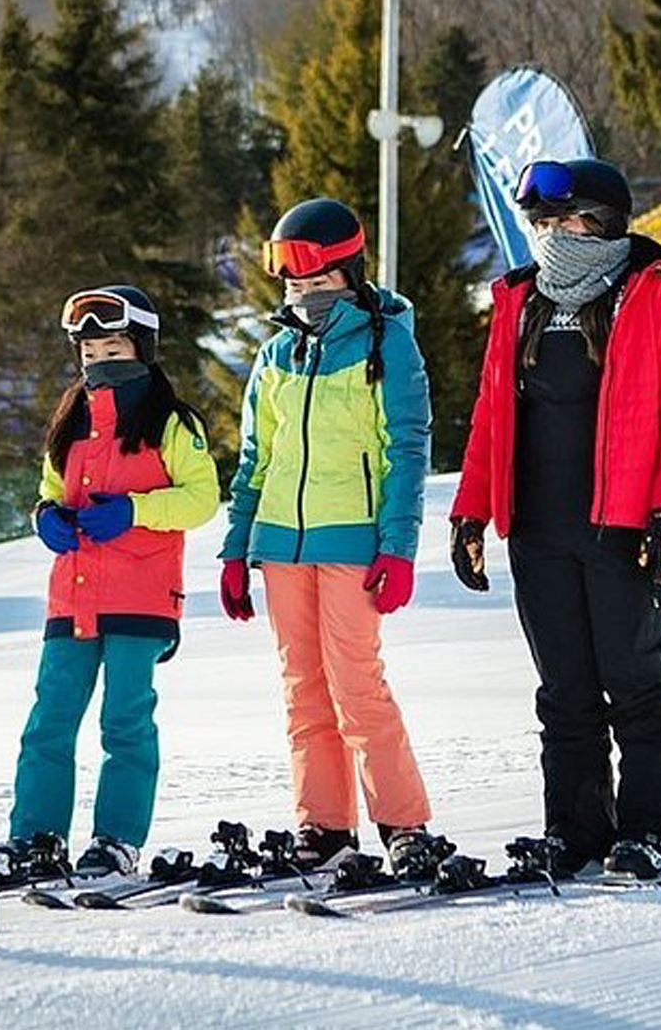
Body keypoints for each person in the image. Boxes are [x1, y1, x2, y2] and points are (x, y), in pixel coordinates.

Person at [448, 156, 661, 883]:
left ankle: (652, 834)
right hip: (538, 526)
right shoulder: (519, 300)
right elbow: (492, 415)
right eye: (542, 222)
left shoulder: (653, 298)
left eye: (567, 221)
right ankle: (575, 832)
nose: (552, 234)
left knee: (634, 682)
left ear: (605, 224)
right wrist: (472, 510)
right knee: (564, 692)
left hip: (626, 529)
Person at [217, 198, 441, 879]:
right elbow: (255, 456)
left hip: (352, 541)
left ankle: (404, 823)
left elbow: (407, 446)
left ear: (348, 273)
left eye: (317, 283)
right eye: (293, 285)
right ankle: (325, 824)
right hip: (282, 544)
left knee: (355, 683)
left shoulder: (385, 342)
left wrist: (398, 547)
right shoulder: (276, 352)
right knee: (303, 689)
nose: (305, 296)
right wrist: (235, 548)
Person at [0, 286, 220, 882]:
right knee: (50, 721)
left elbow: (201, 498)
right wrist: (44, 517)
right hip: (72, 596)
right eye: (89, 348)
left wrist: (135, 510)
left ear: (141, 347)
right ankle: (35, 834)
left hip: (140, 597)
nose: (99, 358)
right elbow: (49, 489)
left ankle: (117, 839)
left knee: (125, 721)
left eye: (112, 344)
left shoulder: (171, 422)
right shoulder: (70, 422)